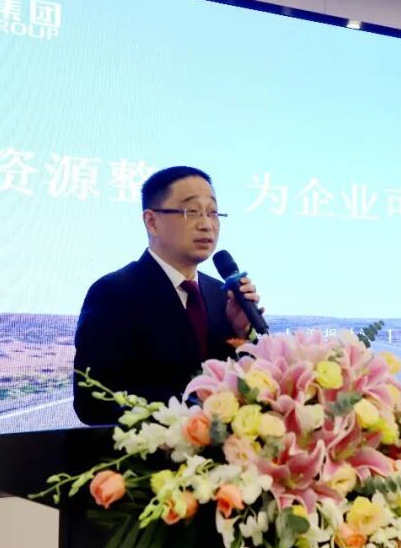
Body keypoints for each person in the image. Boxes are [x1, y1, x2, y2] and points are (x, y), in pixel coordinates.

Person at [72, 166, 262, 424]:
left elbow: (244, 384)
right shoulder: (113, 293)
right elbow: (91, 403)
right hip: (156, 447)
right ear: (152, 221)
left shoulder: (222, 295)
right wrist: (192, 413)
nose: (207, 224)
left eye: (212, 212)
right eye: (192, 211)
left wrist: (242, 332)